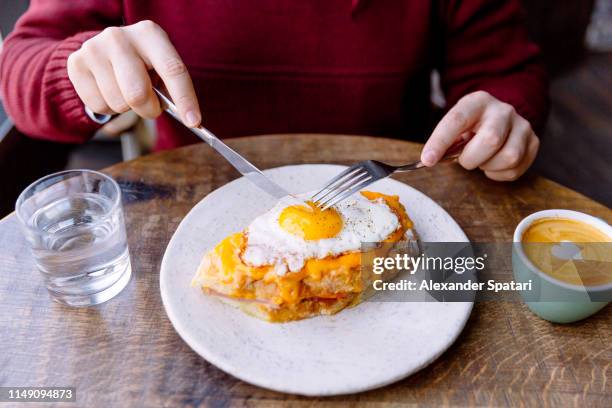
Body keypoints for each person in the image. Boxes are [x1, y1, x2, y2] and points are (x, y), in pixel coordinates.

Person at [0, 0, 547, 181]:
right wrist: (83, 74)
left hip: (401, 192)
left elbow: (504, 74)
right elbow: (18, 71)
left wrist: (503, 118)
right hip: (193, 197)